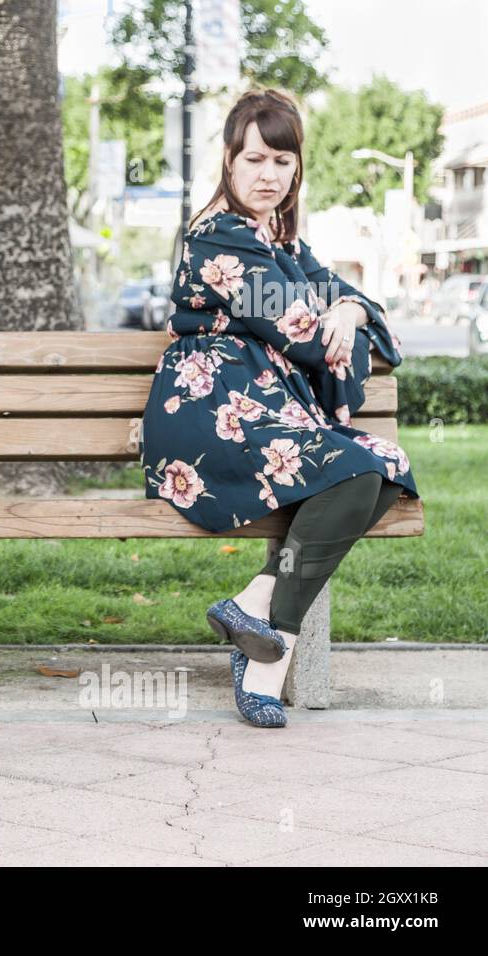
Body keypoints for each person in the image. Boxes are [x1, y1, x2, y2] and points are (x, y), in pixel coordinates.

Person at [140, 89, 419, 728]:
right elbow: (301, 332)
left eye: (283, 162)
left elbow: (357, 310)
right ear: (229, 162)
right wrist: (337, 318)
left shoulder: (283, 242)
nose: (269, 175)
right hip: (210, 414)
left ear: (297, 168)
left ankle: (256, 609)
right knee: (357, 470)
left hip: (261, 408)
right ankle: (271, 656)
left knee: (381, 465)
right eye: (255, 159)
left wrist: (350, 308)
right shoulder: (218, 236)